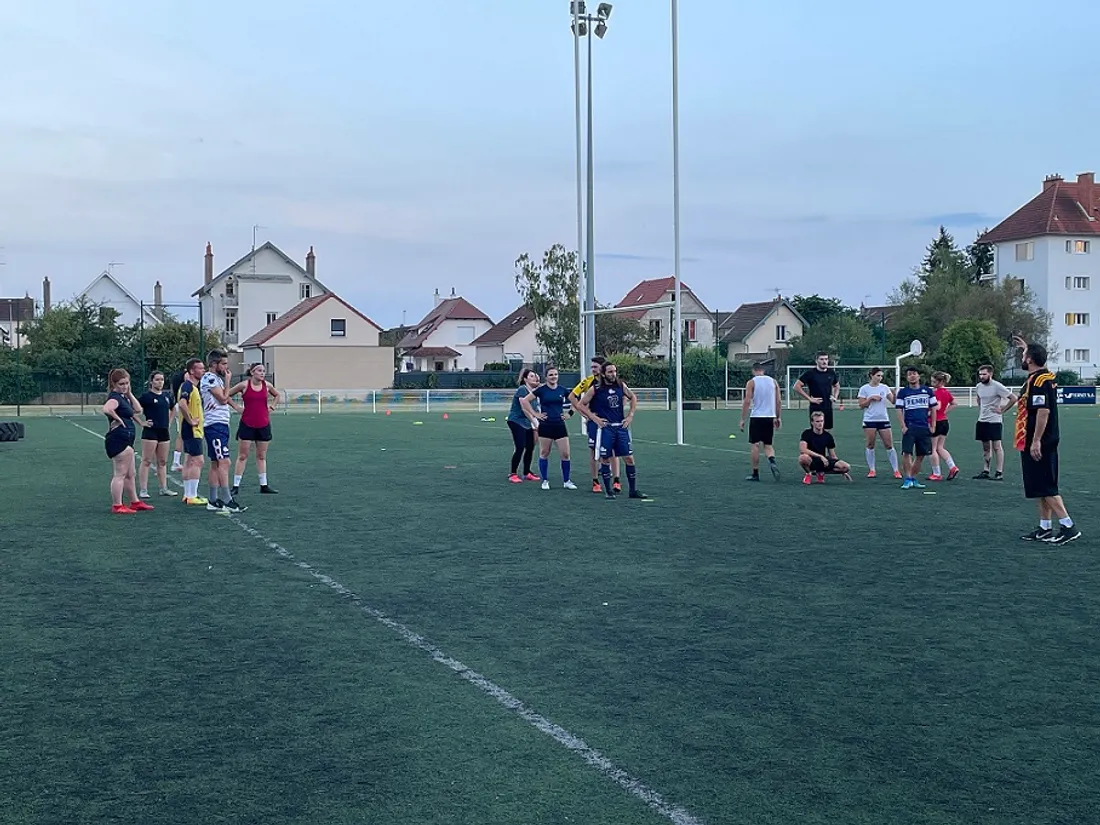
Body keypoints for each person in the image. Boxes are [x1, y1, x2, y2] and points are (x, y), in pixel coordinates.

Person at [1012, 335, 1080, 544]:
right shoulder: (1039, 376)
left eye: (1024, 355)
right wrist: (1028, 347)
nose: (1022, 358)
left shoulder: (1041, 381)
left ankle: (1068, 526)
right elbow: (1039, 364)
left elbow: (1043, 411)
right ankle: (1045, 527)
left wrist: (1036, 440)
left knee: (1046, 485)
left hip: (1040, 440)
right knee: (1038, 486)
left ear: (1030, 360)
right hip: (1033, 439)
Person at [575, 362, 647, 500]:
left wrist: (630, 415)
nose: (613, 374)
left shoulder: (620, 385)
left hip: (620, 427)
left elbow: (633, 397)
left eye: (614, 371)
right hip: (605, 429)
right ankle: (608, 491)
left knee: (629, 458)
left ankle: (633, 490)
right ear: (603, 374)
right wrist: (593, 417)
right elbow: (580, 404)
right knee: (605, 458)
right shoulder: (595, 388)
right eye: (610, 372)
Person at [102, 368, 156, 514]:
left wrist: (129, 393)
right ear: (114, 384)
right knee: (120, 474)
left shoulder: (123, 397)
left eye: (127, 383)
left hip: (126, 439)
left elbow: (138, 410)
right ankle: (117, 505)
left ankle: (135, 502)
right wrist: (118, 419)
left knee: (130, 474)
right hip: (118, 440)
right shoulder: (114, 397)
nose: (124, 386)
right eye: (121, 384)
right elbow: (107, 409)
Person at [199, 349, 245, 513]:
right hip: (215, 425)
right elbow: (223, 398)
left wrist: (235, 407)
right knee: (224, 462)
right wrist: (227, 381)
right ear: (213, 364)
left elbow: (225, 399)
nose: (226, 367)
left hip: (219, 424)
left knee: (216, 463)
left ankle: (213, 499)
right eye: (223, 364)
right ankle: (227, 499)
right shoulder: (211, 378)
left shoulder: (215, 379)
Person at [521, 366, 577, 490]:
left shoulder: (563, 390)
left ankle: (567, 481)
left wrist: (570, 413)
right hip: (546, 426)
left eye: (555, 374)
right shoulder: (541, 390)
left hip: (559, 425)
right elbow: (524, 401)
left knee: (565, 454)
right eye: (551, 375)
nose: (553, 377)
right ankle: (545, 480)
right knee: (544, 452)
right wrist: (535, 414)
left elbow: (576, 401)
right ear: (546, 377)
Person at [229, 363, 280, 496]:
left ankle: (264, 485)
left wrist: (272, 407)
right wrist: (236, 407)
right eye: (259, 371)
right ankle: (235, 486)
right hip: (247, 424)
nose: (262, 373)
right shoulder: (244, 385)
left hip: (263, 425)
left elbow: (277, 395)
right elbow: (226, 395)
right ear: (252, 372)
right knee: (243, 456)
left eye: (263, 371)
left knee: (261, 456)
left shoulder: (267, 386)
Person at [571, 355, 620, 493]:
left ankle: (616, 480)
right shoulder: (588, 382)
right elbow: (573, 397)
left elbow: (625, 397)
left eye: (595, 367)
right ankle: (595, 481)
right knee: (593, 451)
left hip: (611, 422)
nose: (592, 369)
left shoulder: (614, 382)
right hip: (594, 422)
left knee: (613, 450)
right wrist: (587, 415)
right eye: (591, 367)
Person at [895, 366, 937, 490]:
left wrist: (933, 425)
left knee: (921, 455)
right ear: (907, 378)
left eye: (914, 373)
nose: (912, 376)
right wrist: (903, 426)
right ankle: (907, 479)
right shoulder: (903, 392)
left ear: (918, 376)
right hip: (910, 427)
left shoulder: (927, 391)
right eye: (909, 374)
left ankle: (913, 478)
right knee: (907, 453)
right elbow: (898, 410)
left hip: (924, 427)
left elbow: (934, 408)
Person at [137, 370, 177, 498]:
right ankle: (143, 490)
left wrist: (169, 422)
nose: (160, 382)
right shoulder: (146, 397)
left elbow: (173, 409)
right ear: (151, 382)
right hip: (150, 431)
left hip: (163, 431)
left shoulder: (166, 396)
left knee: (163, 461)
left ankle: (163, 488)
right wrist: (142, 422)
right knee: (147, 461)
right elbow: (133, 410)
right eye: (157, 379)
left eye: (162, 379)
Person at [973, 364, 1017, 481]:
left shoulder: (997, 386)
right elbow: (978, 398)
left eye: (984, 374)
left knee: (997, 447)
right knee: (986, 447)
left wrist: (1002, 410)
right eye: (980, 374)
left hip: (994, 421)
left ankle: (999, 472)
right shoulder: (978, 386)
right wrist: (981, 408)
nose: (981, 376)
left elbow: (1013, 398)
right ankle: (986, 470)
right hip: (982, 420)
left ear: (990, 374)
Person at [739, 362, 781, 481]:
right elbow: (778, 401)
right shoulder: (773, 382)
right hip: (769, 417)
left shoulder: (752, 382)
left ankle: (755, 473)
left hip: (757, 417)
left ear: (754, 371)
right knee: (768, 445)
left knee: (755, 444)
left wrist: (742, 419)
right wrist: (778, 417)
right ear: (763, 370)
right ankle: (772, 460)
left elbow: (747, 401)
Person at [857, 368, 900, 479]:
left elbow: (893, 401)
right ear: (871, 375)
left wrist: (895, 394)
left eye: (881, 376)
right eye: (878, 375)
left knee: (889, 445)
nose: (880, 378)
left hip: (883, 419)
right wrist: (870, 399)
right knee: (870, 444)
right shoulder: (864, 389)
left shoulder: (884, 387)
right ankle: (872, 469)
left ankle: (896, 470)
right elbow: (861, 405)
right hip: (870, 419)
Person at [176, 358, 209, 506]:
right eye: (200, 368)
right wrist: (190, 420)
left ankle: (187, 495)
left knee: (189, 461)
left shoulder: (192, 387)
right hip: (191, 430)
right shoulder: (188, 386)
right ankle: (192, 495)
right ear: (191, 371)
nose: (203, 371)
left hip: (191, 430)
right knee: (198, 461)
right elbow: (182, 403)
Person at [797, 410, 852, 483]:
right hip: (811, 460)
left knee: (846, 467)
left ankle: (820, 472)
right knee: (802, 458)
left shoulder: (828, 436)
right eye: (817, 421)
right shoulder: (807, 433)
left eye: (821, 421)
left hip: (823, 461)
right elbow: (803, 450)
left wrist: (843, 472)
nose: (820, 424)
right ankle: (808, 473)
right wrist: (820, 456)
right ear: (812, 423)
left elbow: (832, 455)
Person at [506, 368, 541, 483]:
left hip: (527, 422)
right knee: (520, 446)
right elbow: (524, 408)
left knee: (530, 447)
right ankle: (513, 473)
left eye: (535, 376)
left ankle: (527, 473)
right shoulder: (522, 389)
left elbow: (535, 409)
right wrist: (535, 422)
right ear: (525, 379)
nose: (534, 378)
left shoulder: (535, 393)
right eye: (531, 376)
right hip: (516, 421)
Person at [793, 352, 840, 429]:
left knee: (827, 431)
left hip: (828, 407)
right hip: (816, 407)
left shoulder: (831, 372)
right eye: (821, 359)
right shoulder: (810, 373)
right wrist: (810, 399)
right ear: (816, 361)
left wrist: (835, 397)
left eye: (826, 359)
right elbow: (796, 387)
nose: (824, 361)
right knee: (816, 431)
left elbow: (837, 385)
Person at [928, 371, 959, 481]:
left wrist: (928, 413)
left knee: (932, 449)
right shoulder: (946, 392)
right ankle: (952, 466)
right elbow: (954, 403)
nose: (932, 383)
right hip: (944, 422)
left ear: (940, 381)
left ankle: (936, 473)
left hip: (935, 422)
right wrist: (944, 412)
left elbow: (937, 407)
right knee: (940, 447)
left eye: (934, 381)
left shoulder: (937, 393)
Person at [169, 367, 186, 472]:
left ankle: (177, 461)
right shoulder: (184, 382)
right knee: (182, 434)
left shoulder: (176, 378)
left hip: (177, 405)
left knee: (182, 434)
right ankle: (176, 462)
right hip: (181, 406)